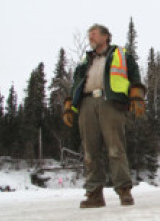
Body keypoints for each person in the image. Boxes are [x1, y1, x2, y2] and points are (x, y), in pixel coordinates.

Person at [62, 23, 146, 208]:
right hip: (86, 104)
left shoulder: (121, 55)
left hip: (111, 103)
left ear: (105, 36)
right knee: (90, 153)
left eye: (93, 33)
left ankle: (124, 191)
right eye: (88, 34)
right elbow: (76, 85)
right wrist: (70, 108)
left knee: (116, 149)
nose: (90, 37)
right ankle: (94, 195)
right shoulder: (85, 62)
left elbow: (135, 76)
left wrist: (137, 97)